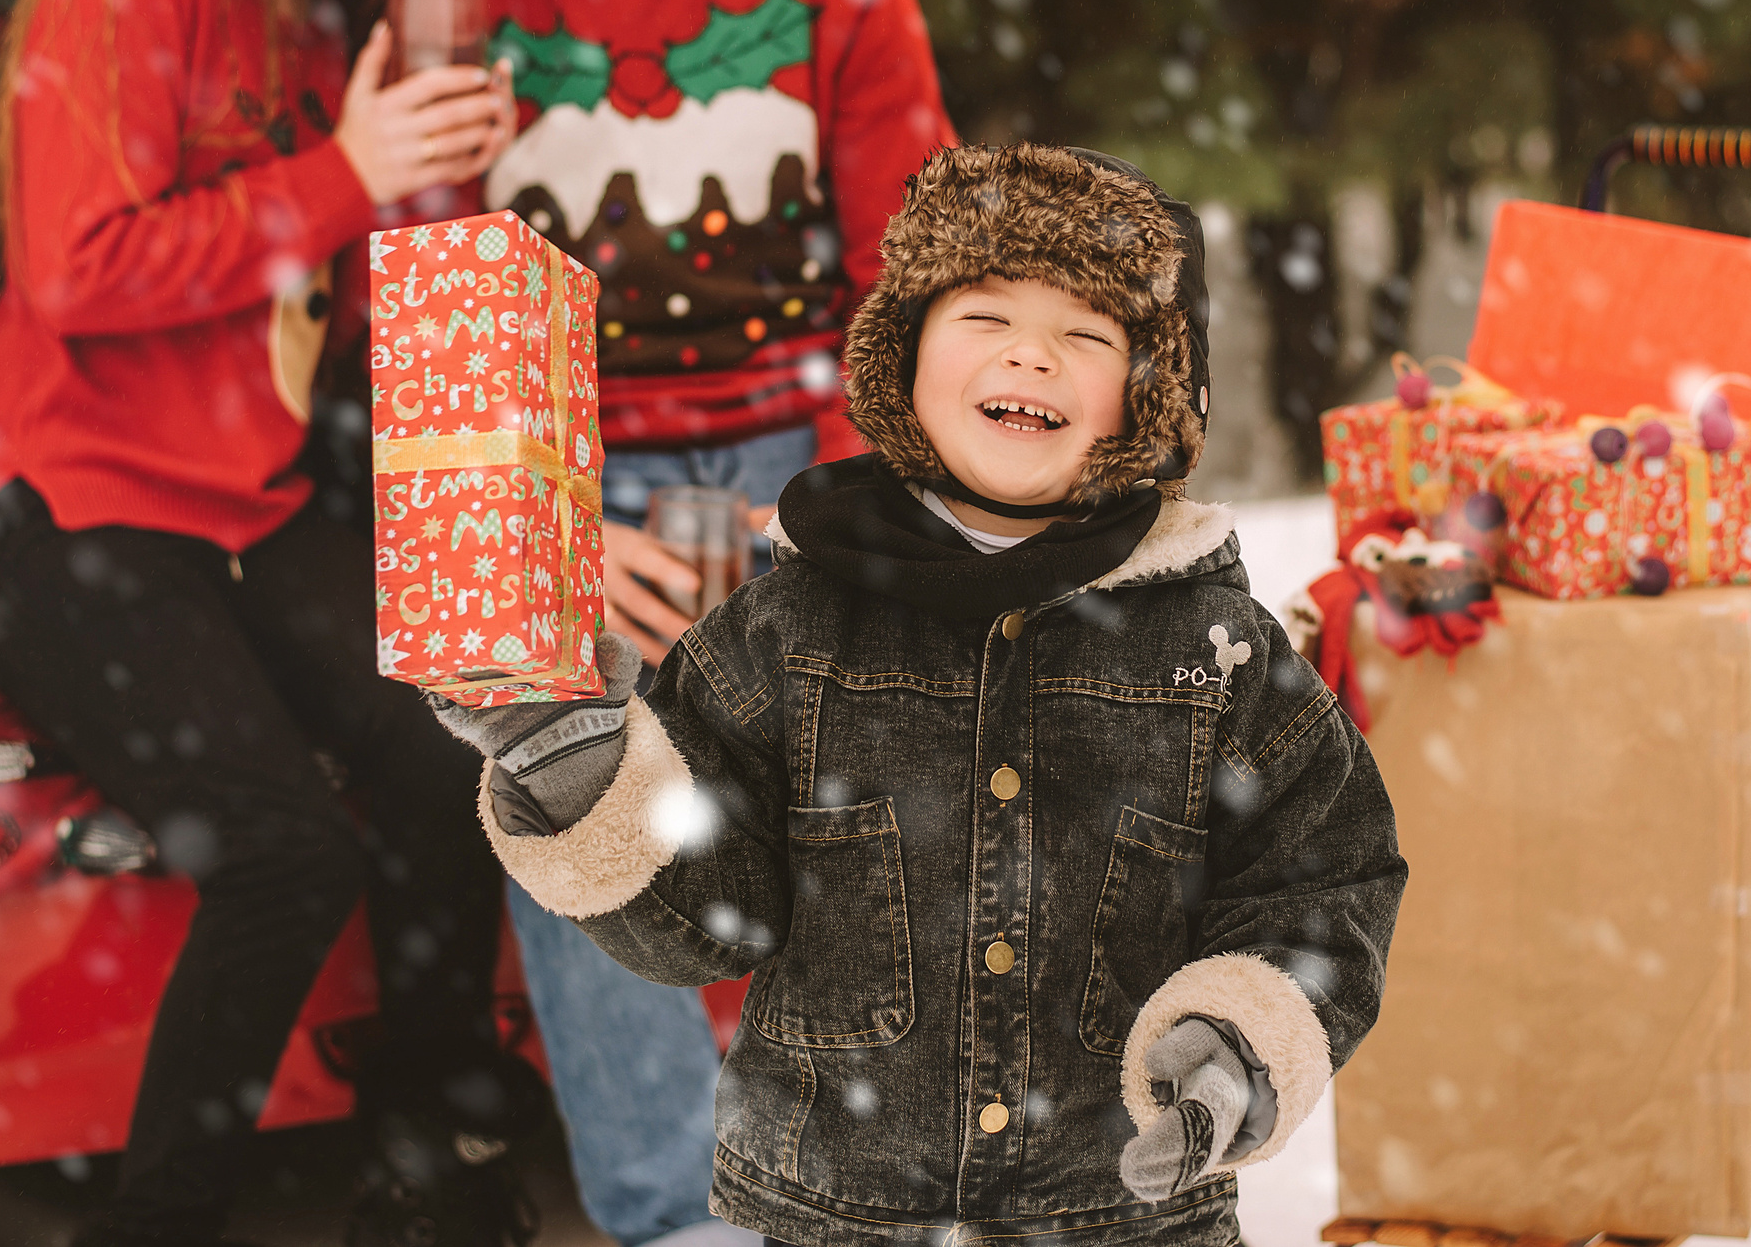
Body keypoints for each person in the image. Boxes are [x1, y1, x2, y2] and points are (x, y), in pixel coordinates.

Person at [432, 143, 1408, 1246]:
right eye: (985, 318)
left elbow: (1325, 875)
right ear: (904, 356)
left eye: (1086, 334)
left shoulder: (1212, 646)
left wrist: (1236, 1042)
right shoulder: (791, 625)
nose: (1031, 355)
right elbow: (706, 914)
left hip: (1125, 1219)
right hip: (839, 1215)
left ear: (1147, 397)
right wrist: (580, 767)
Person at [0, 0, 531, 1247]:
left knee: (455, 729)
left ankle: (429, 1142)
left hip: (234, 512)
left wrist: (434, 168)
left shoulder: (316, 28)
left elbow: (316, 304)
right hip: (60, 504)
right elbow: (79, 269)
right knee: (283, 852)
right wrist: (343, 172)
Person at [397, 0, 954, 1246]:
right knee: (578, 764)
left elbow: (910, 268)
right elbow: (446, 317)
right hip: (573, 456)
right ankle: (673, 1213)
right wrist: (575, 534)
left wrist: (828, 504)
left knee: (876, 762)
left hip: (800, 439)